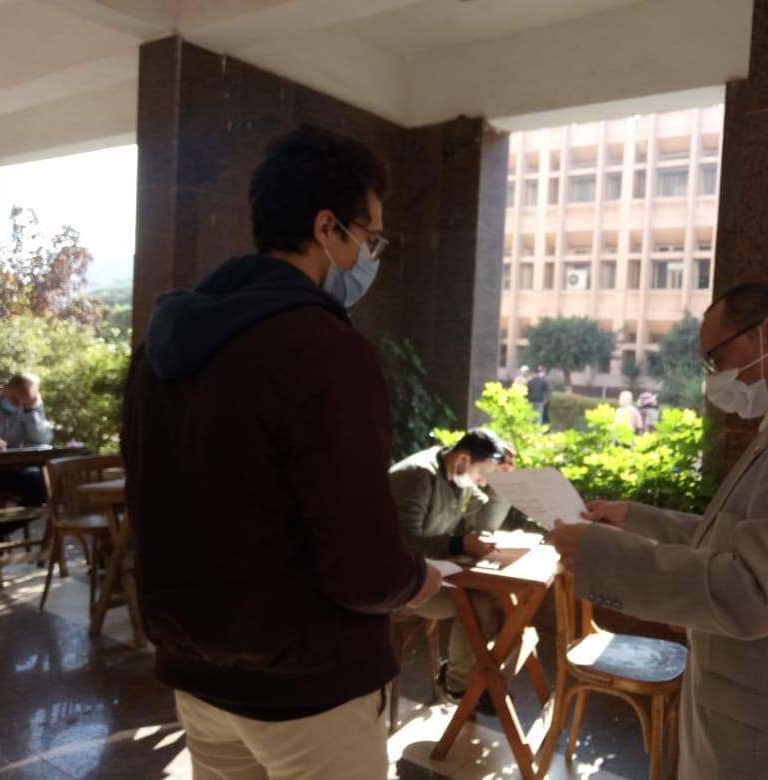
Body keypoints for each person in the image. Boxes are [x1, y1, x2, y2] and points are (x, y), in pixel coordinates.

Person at [122, 125, 441, 779]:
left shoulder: (159, 350)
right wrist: (415, 580)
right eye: (370, 236)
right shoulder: (325, 350)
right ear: (328, 227)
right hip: (308, 686)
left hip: (194, 672)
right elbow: (362, 566)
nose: (371, 255)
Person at [552, 283, 768, 779]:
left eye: (716, 359)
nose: (714, 378)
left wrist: (601, 556)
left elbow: (752, 591)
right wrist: (637, 519)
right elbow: (746, 536)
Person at [389, 428, 513, 710]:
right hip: (396, 580)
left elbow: (485, 522)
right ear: (464, 460)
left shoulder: (459, 477)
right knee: (477, 603)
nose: (483, 483)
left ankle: (470, 677)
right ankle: (460, 686)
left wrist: (504, 484)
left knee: (496, 600)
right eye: (483, 475)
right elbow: (401, 542)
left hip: (430, 571)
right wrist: (458, 543)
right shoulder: (417, 476)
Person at [0, 373, 54, 507]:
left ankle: (15, 521)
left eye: (25, 403)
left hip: (13, 468)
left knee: (39, 483)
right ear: (6, 388)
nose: (19, 406)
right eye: (16, 400)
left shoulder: (32, 406)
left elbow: (43, 440)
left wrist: (31, 411)